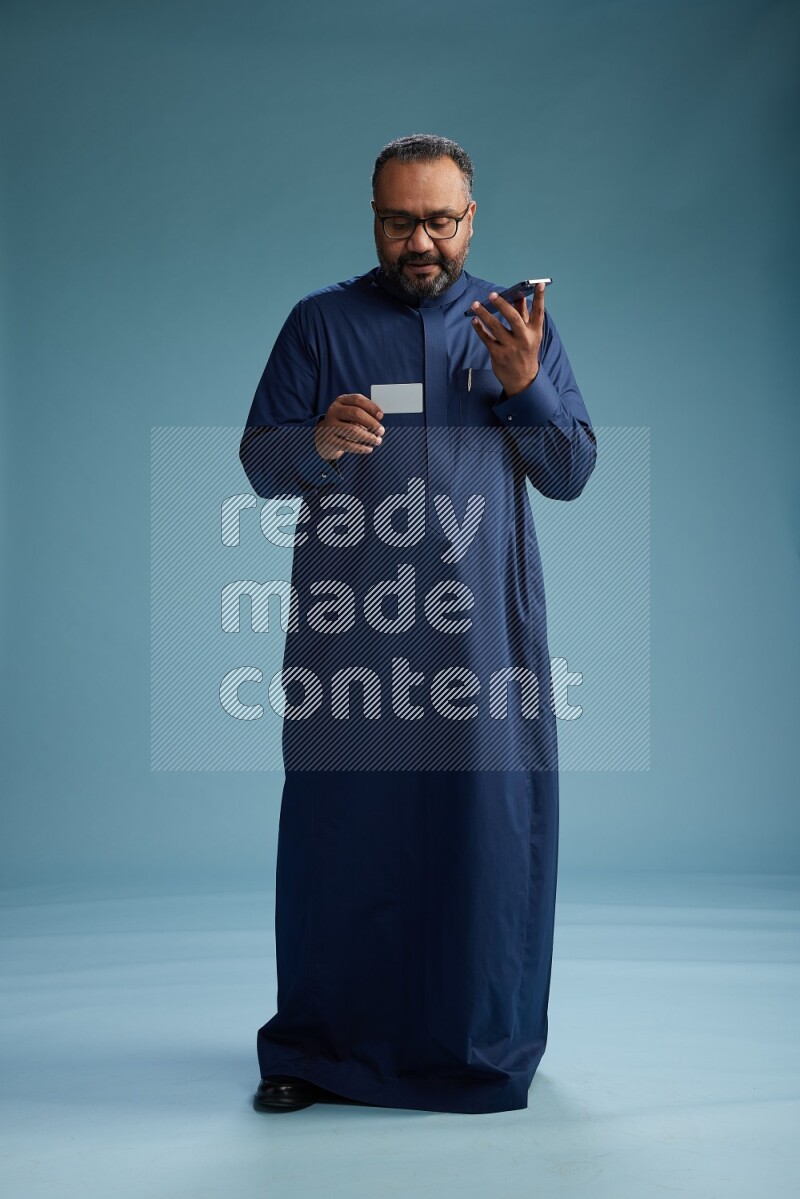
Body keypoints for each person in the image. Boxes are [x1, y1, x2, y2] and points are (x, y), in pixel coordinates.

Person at [239, 133, 596, 1115]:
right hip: (349, 631)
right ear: (373, 220)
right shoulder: (319, 325)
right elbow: (259, 460)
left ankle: (477, 1046)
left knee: (481, 836)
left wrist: (524, 382)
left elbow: (568, 471)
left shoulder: (511, 324)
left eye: (439, 220)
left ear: (470, 219)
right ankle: (314, 1047)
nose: (420, 241)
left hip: (479, 641)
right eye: (399, 221)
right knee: (338, 835)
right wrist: (311, 440)